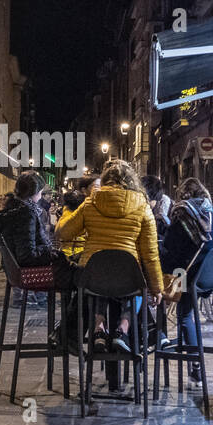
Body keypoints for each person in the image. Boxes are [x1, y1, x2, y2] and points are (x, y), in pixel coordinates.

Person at [55, 159, 163, 390]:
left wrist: (69, 211)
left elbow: (64, 233)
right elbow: (150, 254)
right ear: (131, 180)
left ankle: (99, 328)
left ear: (105, 180)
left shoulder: (91, 202)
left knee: (96, 285)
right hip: (128, 276)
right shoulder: (143, 206)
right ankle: (123, 331)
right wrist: (157, 288)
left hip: (93, 275)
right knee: (138, 285)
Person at [158, 177, 213, 382]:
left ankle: (164, 340)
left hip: (191, 277)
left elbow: (171, 250)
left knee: (182, 311)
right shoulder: (211, 215)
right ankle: (162, 337)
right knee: (172, 280)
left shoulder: (182, 215)